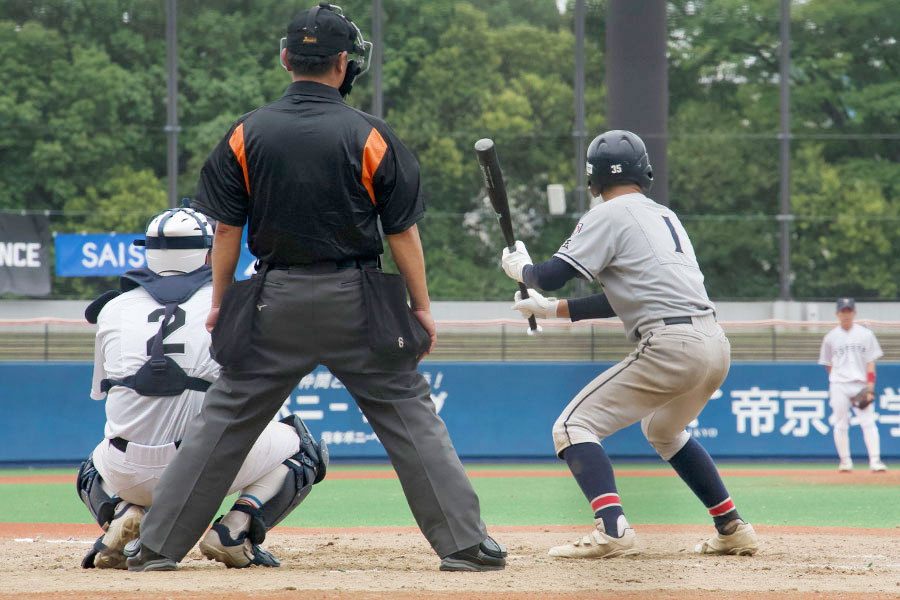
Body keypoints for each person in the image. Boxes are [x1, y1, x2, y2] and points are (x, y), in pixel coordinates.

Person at [124, 3, 505, 573]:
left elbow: (227, 229)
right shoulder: (372, 135)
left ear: (286, 59)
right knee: (409, 415)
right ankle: (465, 547)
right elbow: (402, 233)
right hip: (360, 303)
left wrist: (223, 303)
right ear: (344, 64)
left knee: (222, 424)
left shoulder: (244, 134)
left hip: (273, 300)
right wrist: (421, 308)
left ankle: (156, 548)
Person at [499, 130, 758, 558]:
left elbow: (547, 275)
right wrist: (553, 310)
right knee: (664, 430)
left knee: (571, 427)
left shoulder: (606, 214)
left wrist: (523, 270)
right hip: (714, 343)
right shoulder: (664, 216)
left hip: (672, 345)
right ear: (645, 172)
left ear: (592, 179)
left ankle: (613, 530)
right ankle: (732, 527)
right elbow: (627, 296)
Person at [78, 206, 325, 570]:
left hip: (124, 471)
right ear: (209, 252)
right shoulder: (233, 305)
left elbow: (106, 392)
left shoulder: (112, 309)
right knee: (303, 446)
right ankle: (235, 530)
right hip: (196, 472)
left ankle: (123, 512)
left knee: (92, 464)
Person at [818, 297, 886, 472]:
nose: (846, 314)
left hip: (860, 384)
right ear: (837, 314)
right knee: (840, 423)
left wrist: (870, 386)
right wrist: (837, 378)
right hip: (839, 384)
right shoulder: (830, 337)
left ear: (854, 313)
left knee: (868, 422)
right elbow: (828, 363)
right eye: (843, 311)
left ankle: (875, 461)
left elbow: (870, 361)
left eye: (849, 311)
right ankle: (845, 461)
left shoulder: (865, 334)